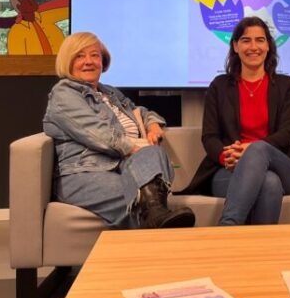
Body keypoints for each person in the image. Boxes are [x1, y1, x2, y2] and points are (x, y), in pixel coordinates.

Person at [43, 32, 195, 229]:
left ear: (103, 61)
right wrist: (136, 149)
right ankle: (157, 218)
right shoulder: (64, 94)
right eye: (79, 56)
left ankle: (155, 216)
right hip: (85, 172)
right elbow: (98, 135)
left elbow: (139, 111)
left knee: (154, 154)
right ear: (67, 61)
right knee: (140, 196)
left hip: (126, 166)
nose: (89, 61)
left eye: (95, 55)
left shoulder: (109, 92)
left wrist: (152, 125)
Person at [183, 16, 290, 225]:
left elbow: (287, 134)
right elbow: (210, 137)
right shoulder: (219, 86)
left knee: (259, 149)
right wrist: (226, 157)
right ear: (235, 46)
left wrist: (250, 150)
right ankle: (253, 243)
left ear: (268, 46)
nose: (253, 47)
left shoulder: (285, 85)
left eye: (260, 40)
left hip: (284, 169)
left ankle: (228, 227)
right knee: (269, 183)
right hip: (228, 169)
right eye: (246, 40)